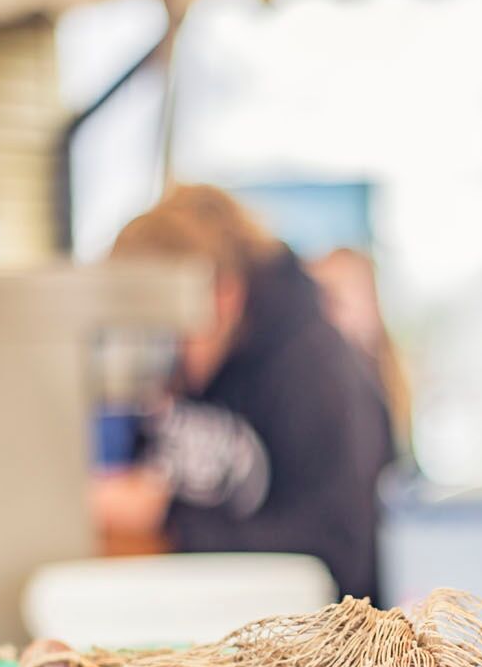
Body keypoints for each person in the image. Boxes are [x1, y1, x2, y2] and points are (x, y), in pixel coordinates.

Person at [91, 186, 393, 600]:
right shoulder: (184, 372)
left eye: (170, 332)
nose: (161, 351)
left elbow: (336, 550)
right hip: (201, 624)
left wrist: (168, 519)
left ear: (224, 293)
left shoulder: (316, 371)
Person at [308, 247, 413, 452]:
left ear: (372, 307)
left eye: (334, 301)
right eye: (315, 304)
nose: (323, 318)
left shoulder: (379, 398)